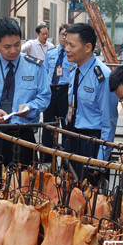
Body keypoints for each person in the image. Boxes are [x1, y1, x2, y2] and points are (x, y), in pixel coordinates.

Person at [0, 17, 51, 181]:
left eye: (17, 45)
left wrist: (29, 108)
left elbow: (44, 96)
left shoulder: (35, 66)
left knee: (25, 189)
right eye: (7, 47)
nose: (13, 50)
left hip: (24, 135)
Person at [64, 23, 119, 181]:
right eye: (66, 43)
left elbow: (109, 122)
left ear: (88, 47)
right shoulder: (74, 70)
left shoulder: (103, 77)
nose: (67, 48)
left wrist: (100, 159)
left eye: (71, 45)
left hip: (91, 143)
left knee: (89, 196)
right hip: (71, 136)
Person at [41, 23, 74, 161]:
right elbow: (45, 72)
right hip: (51, 91)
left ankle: (67, 161)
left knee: (67, 126)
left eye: (67, 35)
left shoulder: (72, 55)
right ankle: (46, 160)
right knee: (48, 125)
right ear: (59, 35)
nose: (64, 38)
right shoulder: (51, 53)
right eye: (62, 34)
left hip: (65, 92)